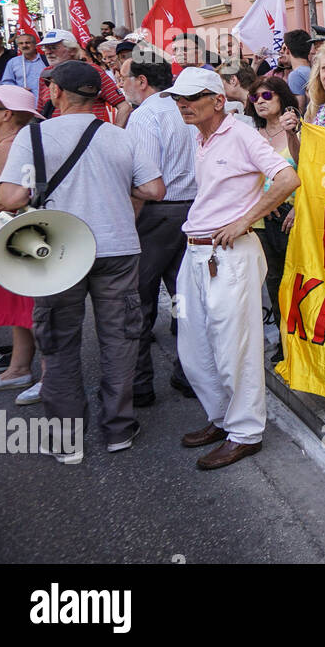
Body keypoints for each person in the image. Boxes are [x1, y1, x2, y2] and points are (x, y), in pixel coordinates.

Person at [0, 61, 165, 462]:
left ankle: (64, 440)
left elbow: (11, 199)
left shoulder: (32, 136)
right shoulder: (120, 136)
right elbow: (153, 189)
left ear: (55, 92)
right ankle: (118, 430)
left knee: (58, 343)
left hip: (56, 251)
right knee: (120, 340)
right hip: (117, 248)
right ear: (95, 97)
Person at [163, 67, 299, 469]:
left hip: (231, 254)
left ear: (218, 101)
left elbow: (288, 178)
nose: (182, 104)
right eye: (178, 98)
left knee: (232, 346)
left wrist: (245, 220)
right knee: (195, 347)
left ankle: (245, 433)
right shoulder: (201, 136)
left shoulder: (240, 134)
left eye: (191, 98)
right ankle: (222, 419)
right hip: (198, 252)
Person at [122, 49, 200, 406]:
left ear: (141, 81)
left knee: (141, 299)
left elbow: (146, 177)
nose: (124, 87)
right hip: (194, 210)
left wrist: (129, 220)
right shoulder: (187, 108)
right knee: (185, 298)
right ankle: (189, 375)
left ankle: (140, 384)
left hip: (157, 214)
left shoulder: (145, 116)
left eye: (126, 79)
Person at [0, 87, 41, 396]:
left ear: (6, 114)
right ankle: (19, 368)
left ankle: (40, 373)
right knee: (19, 304)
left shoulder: (10, 147)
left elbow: (11, 200)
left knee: (26, 304)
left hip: (4, 236)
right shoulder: (5, 143)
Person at [245, 74, 300, 327]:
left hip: (291, 215)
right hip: (262, 218)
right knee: (273, 279)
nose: (260, 101)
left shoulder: (298, 130)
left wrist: (297, 207)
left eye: (267, 95)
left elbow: (307, 171)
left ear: (282, 97)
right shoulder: (250, 135)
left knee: (297, 277)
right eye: (255, 97)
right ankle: (282, 341)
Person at [32, 30, 131, 125]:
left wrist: (114, 134)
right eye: (45, 48)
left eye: (53, 47)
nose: (48, 52)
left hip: (89, 137)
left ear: (72, 50)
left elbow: (124, 107)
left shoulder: (91, 71)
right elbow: (41, 112)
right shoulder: (46, 74)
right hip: (55, 138)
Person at [0, 32, 47, 97]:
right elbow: (7, 83)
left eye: (27, 43)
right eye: (21, 43)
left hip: (45, 102)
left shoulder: (46, 60)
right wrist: (19, 90)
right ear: (18, 46)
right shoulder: (12, 63)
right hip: (23, 102)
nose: (24, 45)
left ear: (35, 45)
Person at [215, 59, 256, 125]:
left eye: (221, 83)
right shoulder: (249, 104)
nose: (219, 89)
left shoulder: (256, 103)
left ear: (233, 80)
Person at [283, 28, 314, 112]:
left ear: (288, 51)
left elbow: (298, 110)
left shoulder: (296, 75)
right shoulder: (313, 70)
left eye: (283, 49)